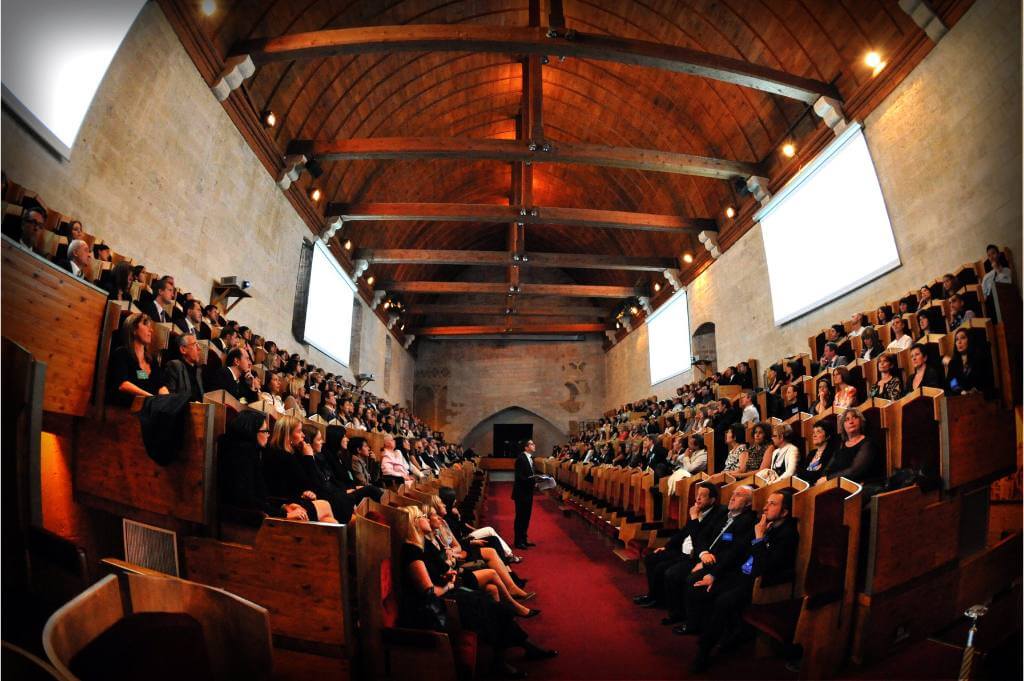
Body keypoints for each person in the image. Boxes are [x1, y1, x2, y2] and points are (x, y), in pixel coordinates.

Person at [397, 506, 555, 678]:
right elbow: (429, 592)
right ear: (414, 523)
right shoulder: (412, 552)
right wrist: (449, 585)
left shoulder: (421, 545)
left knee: (493, 594)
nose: (427, 519)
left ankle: (507, 656)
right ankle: (513, 653)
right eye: (422, 516)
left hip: (449, 594)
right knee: (497, 608)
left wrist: (446, 574)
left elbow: (437, 570)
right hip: (442, 605)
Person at [689, 490, 799, 673]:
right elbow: (738, 553)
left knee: (724, 601)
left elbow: (762, 567)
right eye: (766, 502)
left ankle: (704, 651)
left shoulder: (787, 534)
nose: (765, 507)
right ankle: (727, 634)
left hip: (759, 582)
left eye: (772, 504)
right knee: (704, 588)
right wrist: (715, 575)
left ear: (785, 512)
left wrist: (759, 539)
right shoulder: (765, 525)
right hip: (741, 574)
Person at [671, 485, 758, 635]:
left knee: (692, 581)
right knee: (677, 573)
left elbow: (733, 553)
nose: (732, 497)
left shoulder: (747, 521)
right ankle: (687, 617)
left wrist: (711, 571)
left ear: (749, 503)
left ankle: (694, 624)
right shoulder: (725, 514)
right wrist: (703, 553)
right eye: (733, 494)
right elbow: (703, 535)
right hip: (705, 557)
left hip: (723, 566)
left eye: (739, 495)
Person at [217, 410, 326, 525]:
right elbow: (245, 500)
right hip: (246, 519)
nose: (268, 435)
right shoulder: (240, 456)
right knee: (320, 511)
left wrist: (283, 506)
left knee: (323, 511)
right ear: (252, 431)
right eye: (265, 431)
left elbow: (260, 496)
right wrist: (283, 514)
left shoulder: (251, 452)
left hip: (262, 512)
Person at [634, 482, 727, 608]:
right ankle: (653, 596)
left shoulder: (717, 515)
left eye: (702, 496)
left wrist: (694, 518)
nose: (698, 499)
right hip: (681, 550)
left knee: (663, 568)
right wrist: (667, 546)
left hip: (693, 555)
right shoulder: (698, 509)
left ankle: (663, 602)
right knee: (651, 558)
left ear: (712, 500)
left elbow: (699, 538)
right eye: (697, 495)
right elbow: (684, 531)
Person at [262, 415, 337, 523]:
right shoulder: (283, 456)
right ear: (288, 435)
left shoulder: (288, 453)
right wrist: (309, 457)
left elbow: (303, 486)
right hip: (284, 503)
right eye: (299, 431)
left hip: (290, 500)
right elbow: (312, 485)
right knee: (326, 506)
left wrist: (306, 493)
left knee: (329, 519)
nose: (303, 435)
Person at [107, 313, 168, 407]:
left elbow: (161, 385)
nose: (151, 330)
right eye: (145, 324)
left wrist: (167, 401)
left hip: (149, 409)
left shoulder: (152, 360)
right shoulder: (122, 353)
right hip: (125, 410)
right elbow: (123, 385)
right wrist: (152, 399)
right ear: (134, 329)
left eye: (150, 326)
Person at [819, 409, 878, 484]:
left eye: (855, 417)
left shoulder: (868, 443)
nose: (851, 422)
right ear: (843, 426)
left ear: (861, 421)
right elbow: (828, 468)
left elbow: (854, 471)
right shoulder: (840, 444)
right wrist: (823, 478)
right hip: (837, 484)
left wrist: (828, 479)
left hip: (860, 486)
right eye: (846, 419)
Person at [945, 328, 994, 397]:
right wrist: (961, 391)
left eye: (963, 338)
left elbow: (985, 380)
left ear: (970, 340)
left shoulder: (979, 358)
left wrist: (976, 390)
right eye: (956, 339)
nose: (959, 342)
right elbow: (952, 382)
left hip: (980, 398)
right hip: (961, 399)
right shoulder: (954, 363)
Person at [512, 439, 539, 549]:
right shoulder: (521, 459)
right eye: (531, 444)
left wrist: (537, 480)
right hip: (521, 493)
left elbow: (530, 474)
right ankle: (518, 541)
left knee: (526, 516)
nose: (534, 445)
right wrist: (533, 481)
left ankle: (524, 538)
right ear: (526, 447)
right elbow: (520, 477)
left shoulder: (530, 458)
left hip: (528, 492)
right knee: (520, 517)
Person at [162, 333, 204, 402]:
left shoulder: (198, 370)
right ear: (183, 350)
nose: (199, 348)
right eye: (194, 345)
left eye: (198, 345)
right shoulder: (174, 366)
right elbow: (170, 398)